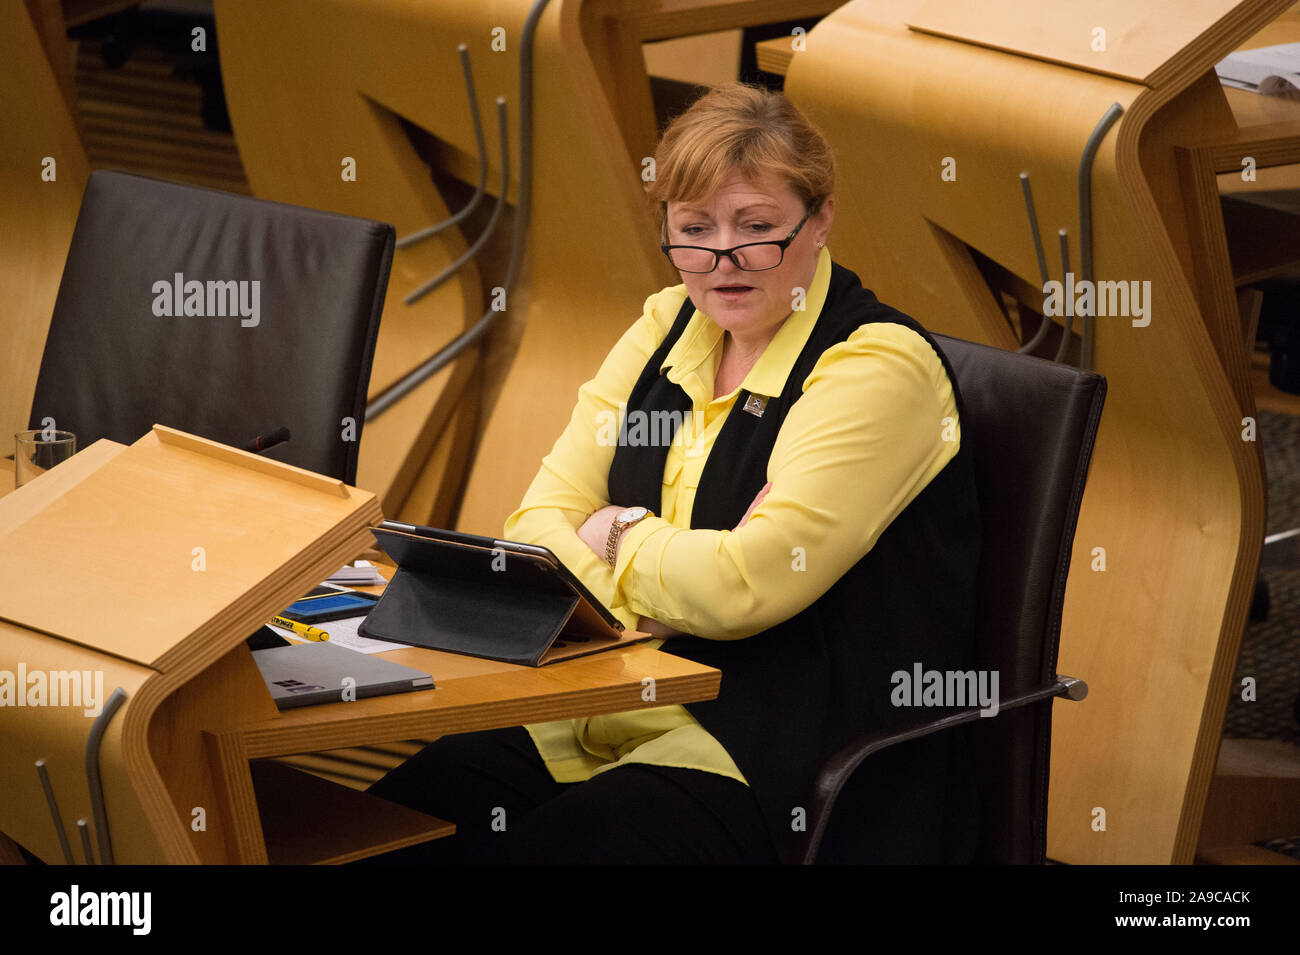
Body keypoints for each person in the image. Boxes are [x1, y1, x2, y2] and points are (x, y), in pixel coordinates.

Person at [366, 82, 982, 864]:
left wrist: (614, 529)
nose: (721, 260)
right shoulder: (666, 323)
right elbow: (534, 526)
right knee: (386, 831)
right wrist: (670, 583)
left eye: (756, 228)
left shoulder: (878, 368)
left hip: (766, 754)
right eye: (694, 229)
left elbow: (745, 585)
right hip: (598, 708)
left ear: (820, 219)